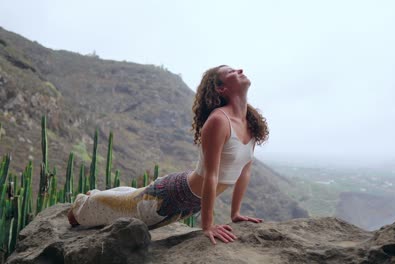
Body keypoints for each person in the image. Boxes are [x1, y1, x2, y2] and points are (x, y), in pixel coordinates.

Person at [68, 65, 269, 245]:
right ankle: (86, 201)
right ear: (221, 88)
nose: (240, 70)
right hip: (168, 197)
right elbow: (211, 175)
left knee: (129, 200)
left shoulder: (250, 123)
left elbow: (245, 172)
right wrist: (208, 225)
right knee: (77, 217)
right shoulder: (219, 120)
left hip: (190, 204)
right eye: (231, 72)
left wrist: (235, 214)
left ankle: (99, 196)